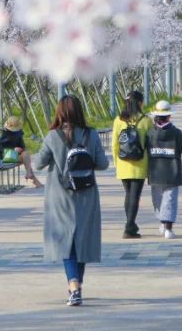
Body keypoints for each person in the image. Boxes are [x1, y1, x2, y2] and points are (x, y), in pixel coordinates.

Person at [32, 95, 109, 306]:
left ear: (59, 112)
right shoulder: (91, 134)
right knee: (82, 239)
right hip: (87, 194)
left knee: (67, 240)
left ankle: (74, 286)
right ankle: (77, 286)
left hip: (60, 196)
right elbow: (103, 164)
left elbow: (38, 164)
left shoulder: (52, 136)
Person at [146, 101, 182, 239]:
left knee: (158, 200)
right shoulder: (176, 133)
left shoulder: (149, 133)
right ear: (169, 116)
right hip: (172, 172)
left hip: (155, 172)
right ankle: (168, 229)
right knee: (170, 200)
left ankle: (162, 223)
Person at [111, 90, 151, 239]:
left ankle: (131, 225)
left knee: (129, 194)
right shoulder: (146, 120)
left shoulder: (118, 120)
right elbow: (149, 145)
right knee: (134, 195)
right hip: (140, 164)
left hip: (123, 163)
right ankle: (129, 227)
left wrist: (117, 163)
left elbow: (114, 144)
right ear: (140, 103)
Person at [0, 116, 43, 188]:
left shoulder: (18, 133)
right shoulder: (4, 134)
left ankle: (30, 174)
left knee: (26, 155)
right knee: (26, 158)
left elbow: (22, 147)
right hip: (5, 157)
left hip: (15, 156)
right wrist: (13, 150)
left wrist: (20, 150)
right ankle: (32, 178)